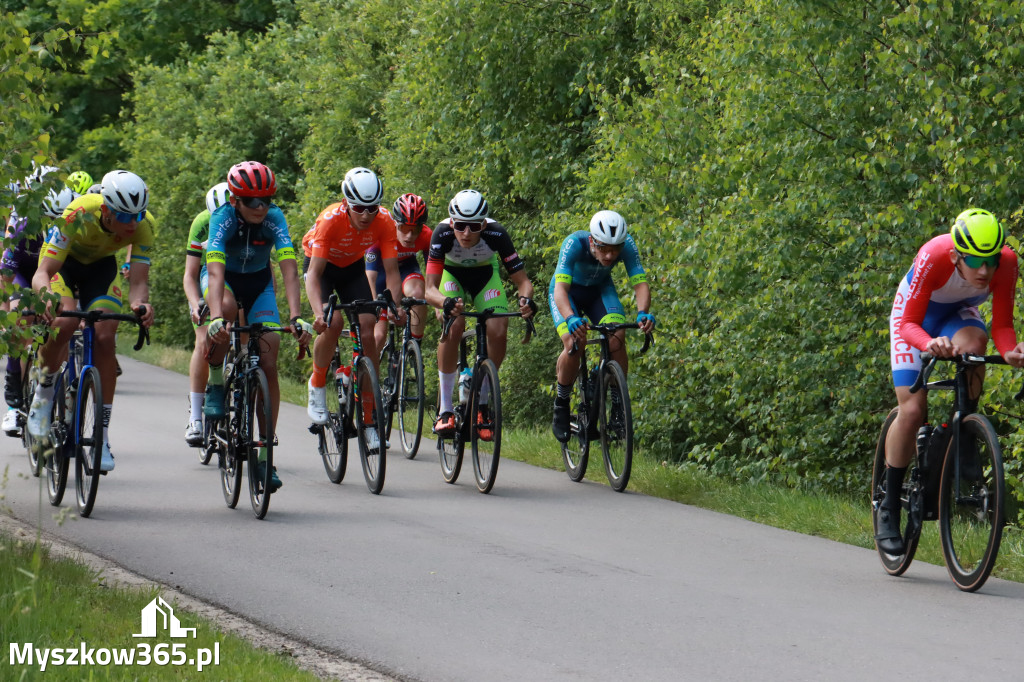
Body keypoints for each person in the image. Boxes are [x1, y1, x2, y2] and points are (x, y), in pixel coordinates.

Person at [879, 208, 1024, 555]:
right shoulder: (934, 254)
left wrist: (1011, 352)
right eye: (974, 260)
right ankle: (889, 506)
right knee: (912, 410)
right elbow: (909, 323)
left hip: (956, 314)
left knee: (975, 346)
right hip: (913, 318)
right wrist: (929, 344)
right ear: (957, 254)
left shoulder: (1006, 263)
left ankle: (963, 430)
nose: (985, 270)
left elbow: (1002, 325)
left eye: (990, 260)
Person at [26, 170, 156, 472]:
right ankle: (43, 395)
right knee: (65, 321)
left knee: (106, 335)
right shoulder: (78, 212)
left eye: (138, 215)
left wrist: (140, 305)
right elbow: (42, 272)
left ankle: (102, 436)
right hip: (63, 265)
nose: (132, 224)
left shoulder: (143, 226)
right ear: (106, 209)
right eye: (125, 216)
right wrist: (46, 297)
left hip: (101, 270)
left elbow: (138, 282)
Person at [203, 161, 311, 491]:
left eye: (266, 199)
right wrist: (216, 319)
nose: (261, 207)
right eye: (252, 201)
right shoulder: (221, 219)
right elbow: (216, 272)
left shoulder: (274, 218)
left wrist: (295, 316)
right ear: (235, 200)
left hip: (260, 283)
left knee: (269, 356)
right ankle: (217, 380)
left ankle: (265, 457)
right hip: (225, 282)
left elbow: (290, 270)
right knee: (226, 309)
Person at [304, 167, 405, 452]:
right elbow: (313, 275)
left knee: (369, 329)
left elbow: (392, 270)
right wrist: (318, 313)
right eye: (359, 207)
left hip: (352, 269)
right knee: (333, 322)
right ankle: (317, 383)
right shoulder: (330, 220)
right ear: (347, 202)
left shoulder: (384, 221)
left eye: (372, 208)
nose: (365, 215)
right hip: (321, 267)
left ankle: (370, 421)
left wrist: (395, 307)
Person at [424, 189, 536, 440]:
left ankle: (481, 400)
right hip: (451, 276)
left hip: (485, 276)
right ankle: (445, 410)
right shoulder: (441, 233)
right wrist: (444, 303)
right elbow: (429, 289)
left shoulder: (497, 233)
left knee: (498, 328)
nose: (466, 233)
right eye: (460, 225)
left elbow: (523, 282)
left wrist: (525, 300)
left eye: (474, 226)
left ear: (484, 224)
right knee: (454, 323)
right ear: (452, 222)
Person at [549, 210, 654, 442]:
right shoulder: (574, 244)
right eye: (604, 248)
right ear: (592, 241)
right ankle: (562, 403)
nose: (609, 255)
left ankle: (617, 405)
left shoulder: (627, 245)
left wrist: (643, 312)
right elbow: (560, 290)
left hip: (600, 291)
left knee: (617, 336)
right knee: (575, 342)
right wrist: (570, 317)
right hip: (568, 294)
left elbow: (640, 283)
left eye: (615, 249)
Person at [2, 181, 78, 436]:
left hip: (57, 276)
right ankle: (14, 405)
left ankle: (58, 392)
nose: (54, 226)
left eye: (59, 220)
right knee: (20, 324)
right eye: (48, 219)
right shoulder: (22, 229)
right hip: (24, 275)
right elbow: (5, 280)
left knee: (64, 322)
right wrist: (6, 316)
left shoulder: (75, 229)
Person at [181, 181, 231, 446]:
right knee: (204, 341)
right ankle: (196, 416)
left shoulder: (246, 220)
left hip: (239, 275)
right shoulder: (201, 222)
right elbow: (190, 274)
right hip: (208, 276)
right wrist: (194, 303)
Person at [365, 193, 432, 350]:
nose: (409, 236)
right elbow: (371, 278)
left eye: (415, 230)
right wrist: (380, 309)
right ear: (395, 223)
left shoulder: (427, 236)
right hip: (380, 273)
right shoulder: (379, 234)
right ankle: (366, 372)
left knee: (417, 294)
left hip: (407, 268)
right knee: (379, 336)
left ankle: (414, 347)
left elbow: (433, 275)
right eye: (403, 228)